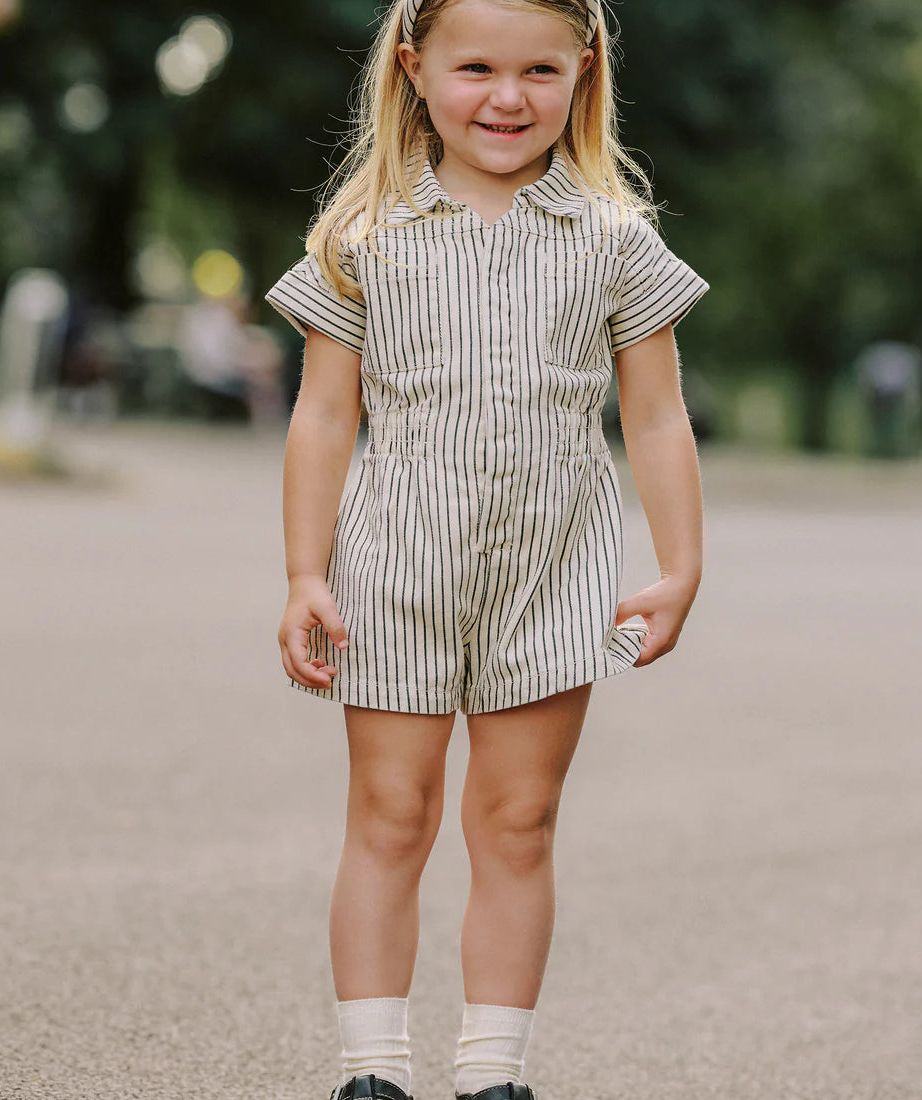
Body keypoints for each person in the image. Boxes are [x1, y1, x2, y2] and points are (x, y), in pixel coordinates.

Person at [265, 2, 710, 1098]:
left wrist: (678, 561)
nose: (505, 98)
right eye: (474, 68)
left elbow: (654, 416)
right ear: (415, 70)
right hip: (394, 566)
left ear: (582, 71)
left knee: (517, 818)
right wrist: (304, 573)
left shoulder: (611, 236)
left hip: (550, 567)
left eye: (536, 71)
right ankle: (370, 1069)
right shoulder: (363, 233)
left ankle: (490, 1074)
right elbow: (324, 416)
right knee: (390, 811)